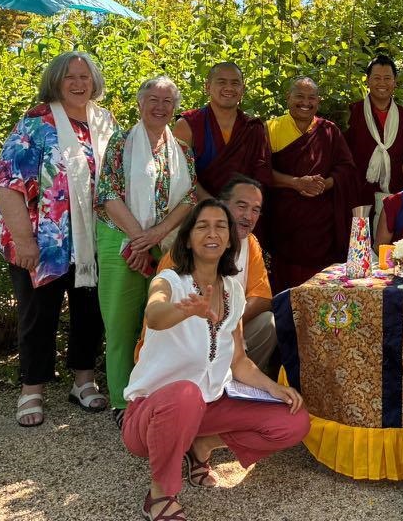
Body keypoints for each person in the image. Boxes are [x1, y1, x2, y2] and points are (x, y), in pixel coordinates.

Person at [122, 199, 309, 521]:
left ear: (229, 239)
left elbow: (239, 361)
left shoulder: (233, 291)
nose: (213, 233)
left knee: (294, 421)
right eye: (202, 226)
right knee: (185, 393)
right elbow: (154, 314)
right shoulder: (168, 280)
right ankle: (160, 495)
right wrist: (183, 309)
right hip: (151, 414)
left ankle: (202, 446)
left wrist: (274, 388)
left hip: (208, 407)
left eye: (220, 226)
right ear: (187, 239)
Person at [0, 51, 116, 427]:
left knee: (90, 312)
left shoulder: (105, 121)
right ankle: (32, 388)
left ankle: (83, 381)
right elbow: (8, 184)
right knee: (38, 315)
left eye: (85, 77)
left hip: (91, 240)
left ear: (94, 82)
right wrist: (24, 241)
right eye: (69, 77)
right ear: (55, 82)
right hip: (41, 240)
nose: (78, 84)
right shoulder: (36, 122)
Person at [95, 75, 197, 421]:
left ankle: (154, 395)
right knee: (122, 324)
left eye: (168, 101)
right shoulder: (120, 142)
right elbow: (108, 194)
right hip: (119, 239)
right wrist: (139, 239)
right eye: (153, 99)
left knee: (160, 323)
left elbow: (190, 197)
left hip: (165, 243)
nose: (160, 107)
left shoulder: (182, 149)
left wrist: (156, 235)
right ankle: (123, 402)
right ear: (140, 104)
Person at [153, 175, 277, 371]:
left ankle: (240, 382)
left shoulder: (250, 244)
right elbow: (156, 314)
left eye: (255, 210)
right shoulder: (179, 255)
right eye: (242, 206)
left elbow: (262, 297)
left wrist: (226, 323)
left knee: (267, 323)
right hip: (183, 337)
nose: (248, 216)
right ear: (222, 206)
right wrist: (208, 324)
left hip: (229, 329)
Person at [263, 76, 357, 292]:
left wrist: (325, 184)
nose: (305, 102)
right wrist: (296, 183)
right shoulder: (271, 128)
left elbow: (347, 169)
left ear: (318, 101)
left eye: (311, 98)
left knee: (321, 286)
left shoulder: (329, 131)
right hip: (285, 223)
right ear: (288, 97)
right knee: (286, 287)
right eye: (299, 96)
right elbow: (261, 170)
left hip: (322, 226)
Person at [173, 62, 272, 197]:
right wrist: (211, 204)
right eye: (222, 82)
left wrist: (241, 205)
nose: (229, 88)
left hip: (243, 206)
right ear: (207, 87)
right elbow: (180, 174)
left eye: (235, 83)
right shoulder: (187, 125)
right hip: (199, 207)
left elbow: (262, 176)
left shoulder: (253, 128)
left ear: (243, 89)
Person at [344, 54, 403, 216]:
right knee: (360, 231)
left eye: (387, 78)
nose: (382, 83)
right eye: (377, 78)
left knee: (391, 232)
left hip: (395, 193)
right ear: (367, 81)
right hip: (358, 194)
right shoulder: (353, 112)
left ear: (394, 82)